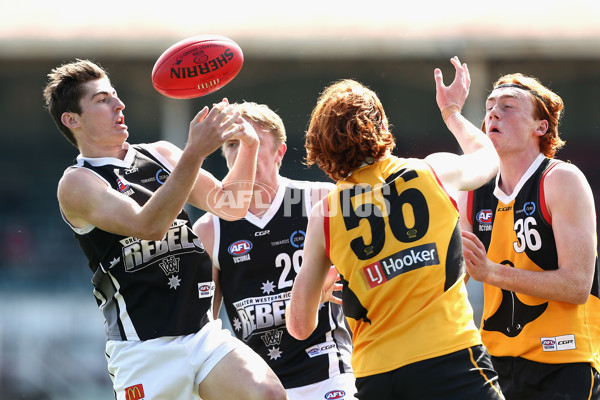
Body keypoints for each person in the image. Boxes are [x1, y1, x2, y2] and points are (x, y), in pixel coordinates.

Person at [43, 59, 287, 400]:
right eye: (102, 100)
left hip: (202, 336)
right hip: (144, 351)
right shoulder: (77, 183)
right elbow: (149, 226)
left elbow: (231, 206)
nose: (119, 104)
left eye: (115, 95)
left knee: (268, 395)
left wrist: (249, 146)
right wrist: (195, 152)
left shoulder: (162, 154)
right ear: (72, 120)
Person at [286, 56, 505, 400]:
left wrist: (326, 288)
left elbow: (299, 327)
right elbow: (490, 159)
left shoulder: (323, 213)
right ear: (383, 127)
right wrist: (452, 113)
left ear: (320, 146)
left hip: (379, 378)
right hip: (450, 359)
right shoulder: (432, 171)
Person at [192, 101, 356, 400]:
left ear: (279, 152)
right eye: (232, 144)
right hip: (257, 384)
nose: (241, 152)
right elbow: (203, 325)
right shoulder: (209, 228)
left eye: (251, 143)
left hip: (328, 372)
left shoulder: (319, 199)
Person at [459, 72, 600, 399]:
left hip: (565, 361)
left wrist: (492, 272)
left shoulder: (560, 179)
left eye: (508, 106)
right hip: (496, 363)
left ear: (541, 127)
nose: (493, 112)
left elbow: (577, 285)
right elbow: (454, 279)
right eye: (490, 106)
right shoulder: (475, 190)